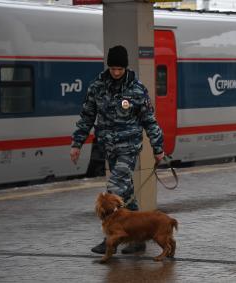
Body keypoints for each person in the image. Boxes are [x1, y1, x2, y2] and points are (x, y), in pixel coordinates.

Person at [70, 45, 165, 255]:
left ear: (125, 67)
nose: (116, 72)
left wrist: (158, 148)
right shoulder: (97, 87)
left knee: (114, 188)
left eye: (119, 69)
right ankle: (138, 239)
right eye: (113, 68)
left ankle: (110, 239)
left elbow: (149, 120)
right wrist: (77, 143)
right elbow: (87, 116)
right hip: (109, 147)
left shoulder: (137, 89)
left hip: (129, 147)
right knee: (127, 190)